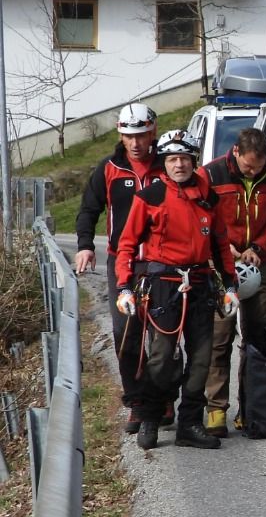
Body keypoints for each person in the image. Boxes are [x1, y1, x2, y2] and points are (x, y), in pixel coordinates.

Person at [115, 131, 239, 452]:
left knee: (201, 358)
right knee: (161, 357)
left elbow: (220, 244)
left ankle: (190, 424)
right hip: (163, 286)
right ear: (164, 163)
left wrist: (230, 286)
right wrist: (124, 286)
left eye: (184, 159)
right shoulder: (150, 197)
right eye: (172, 160)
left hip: (200, 284)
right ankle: (151, 418)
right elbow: (127, 245)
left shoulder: (208, 198)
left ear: (193, 161)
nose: (179, 165)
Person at [75, 102, 162, 433]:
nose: (135, 143)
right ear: (120, 134)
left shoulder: (167, 165)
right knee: (125, 331)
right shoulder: (109, 168)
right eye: (129, 136)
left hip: (161, 261)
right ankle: (137, 402)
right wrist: (85, 245)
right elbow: (89, 209)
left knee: (163, 333)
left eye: (141, 135)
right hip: (122, 262)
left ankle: (163, 397)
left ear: (152, 132)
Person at [202, 127, 266, 436]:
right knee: (219, 337)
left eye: (259, 166)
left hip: (259, 263)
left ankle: (250, 410)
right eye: (248, 166)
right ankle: (216, 409)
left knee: (255, 340)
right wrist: (221, 247)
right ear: (236, 152)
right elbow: (200, 216)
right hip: (221, 265)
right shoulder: (211, 174)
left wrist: (259, 247)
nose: (253, 172)